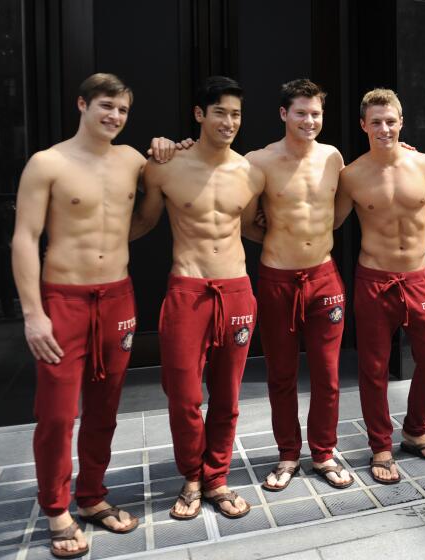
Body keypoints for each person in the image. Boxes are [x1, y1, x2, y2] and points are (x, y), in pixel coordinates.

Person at [11, 73, 143, 559]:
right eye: (106, 106)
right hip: (63, 300)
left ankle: (91, 495)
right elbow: (25, 238)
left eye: (123, 110)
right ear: (82, 103)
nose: (114, 116)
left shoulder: (132, 160)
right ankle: (55, 506)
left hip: (118, 298)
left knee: (105, 407)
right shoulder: (48, 162)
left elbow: (153, 204)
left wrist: (174, 146)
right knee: (57, 413)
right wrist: (33, 314)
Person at [131, 76, 264, 520]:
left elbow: (249, 228)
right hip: (187, 289)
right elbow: (145, 222)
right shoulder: (164, 166)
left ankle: (217, 478)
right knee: (184, 395)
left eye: (237, 114)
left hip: (237, 290)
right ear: (200, 115)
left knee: (226, 396)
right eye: (221, 112)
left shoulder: (250, 172)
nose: (230, 122)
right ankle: (191, 476)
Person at [335, 88, 425, 484]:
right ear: (363, 126)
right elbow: (327, 223)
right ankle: (381, 447)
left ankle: (415, 430)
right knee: (373, 368)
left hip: (419, 279)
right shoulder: (351, 175)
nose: (384, 128)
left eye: (390, 121)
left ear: (401, 122)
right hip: (373, 280)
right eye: (376, 122)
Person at [243, 79, 352, 491]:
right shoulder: (259, 161)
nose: (310, 120)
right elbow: (246, 222)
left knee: (327, 374)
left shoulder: (333, 157)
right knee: (281, 373)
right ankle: (288, 453)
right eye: (302, 112)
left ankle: (323, 452)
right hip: (278, 278)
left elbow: (338, 213)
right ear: (283, 114)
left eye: (316, 113)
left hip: (324, 277)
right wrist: (279, 239)